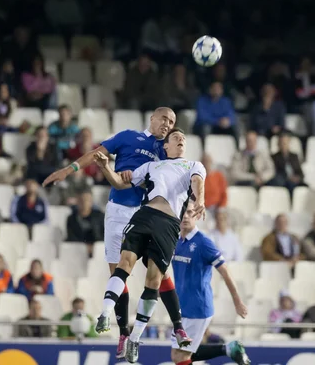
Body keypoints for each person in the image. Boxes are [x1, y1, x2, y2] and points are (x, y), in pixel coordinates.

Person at [42, 107, 184, 359]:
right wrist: (68, 170)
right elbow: (97, 154)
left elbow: (179, 174)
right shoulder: (128, 137)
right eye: (164, 118)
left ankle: (178, 327)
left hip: (147, 213)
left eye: (171, 122)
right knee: (117, 271)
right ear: (152, 118)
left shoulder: (167, 150)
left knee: (159, 274)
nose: (167, 124)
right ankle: (123, 333)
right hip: (118, 210)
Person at [93, 128, 206, 362]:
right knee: (124, 264)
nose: (181, 140)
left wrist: (201, 201)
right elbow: (120, 183)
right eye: (176, 138)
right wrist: (105, 166)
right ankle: (104, 313)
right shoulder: (151, 167)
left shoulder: (194, 165)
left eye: (183, 138)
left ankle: (135, 337)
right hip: (144, 215)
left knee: (154, 279)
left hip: (168, 224)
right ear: (165, 146)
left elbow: (197, 182)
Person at [170, 204, 250, 365]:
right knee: (179, 354)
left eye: (190, 213)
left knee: (181, 356)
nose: (185, 216)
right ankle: (228, 349)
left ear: (197, 216)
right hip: (182, 307)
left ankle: (227, 349)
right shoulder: (176, 240)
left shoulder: (203, 243)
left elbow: (225, 271)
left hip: (198, 308)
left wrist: (237, 302)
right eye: (182, 213)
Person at [66, 189, 104, 255]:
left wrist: (94, 247)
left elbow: (104, 235)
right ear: (77, 202)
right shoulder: (71, 218)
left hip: (96, 250)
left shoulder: (100, 216)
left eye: (87, 200)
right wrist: (84, 247)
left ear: (91, 201)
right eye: (81, 200)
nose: (84, 202)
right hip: (78, 251)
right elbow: (71, 237)